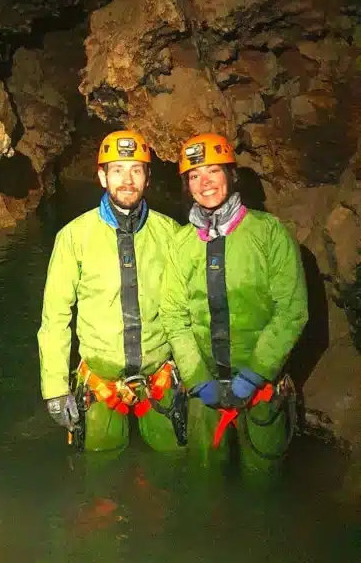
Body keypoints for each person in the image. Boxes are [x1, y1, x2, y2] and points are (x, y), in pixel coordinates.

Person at [159, 132, 308, 472]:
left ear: (231, 174)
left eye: (213, 171)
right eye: (194, 176)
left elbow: (292, 311)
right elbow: (173, 316)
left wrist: (254, 374)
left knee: (264, 485)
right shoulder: (181, 244)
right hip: (205, 389)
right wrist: (198, 379)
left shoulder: (269, 233)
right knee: (203, 486)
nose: (205, 183)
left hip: (261, 389)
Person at [38, 130, 184, 453]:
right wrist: (54, 388)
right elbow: (55, 317)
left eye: (136, 170)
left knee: (176, 461)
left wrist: (196, 371)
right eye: (117, 170)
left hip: (159, 376)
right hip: (100, 383)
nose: (127, 179)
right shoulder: (73, 238)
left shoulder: (172, 234)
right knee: (101, 477)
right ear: (102, 177)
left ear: (147, 178)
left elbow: (190, 308)